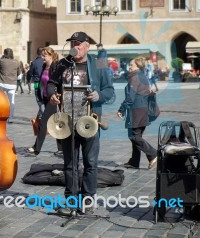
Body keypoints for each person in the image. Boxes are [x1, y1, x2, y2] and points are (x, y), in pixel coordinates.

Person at [47, 32, 114, 215]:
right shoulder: (63, 63)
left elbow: (110, 90)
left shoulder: (98, 63)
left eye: (78, 43)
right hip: (67, 121)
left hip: (90, 120)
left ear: (87, 46)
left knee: (90, 162)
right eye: (72, 43)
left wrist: (99, 95)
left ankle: (88, 199)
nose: (74, 46)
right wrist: (52, 94)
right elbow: (51, 84)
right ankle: (71, 200)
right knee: (70, 163)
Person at [117, 57, 158, 170]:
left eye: (131, 65)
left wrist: (121, 109)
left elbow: (130, 98)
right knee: (137, 136)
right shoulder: (143, 76)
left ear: (138, 66)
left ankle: (153, 154)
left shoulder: (135, 78)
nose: (129, 67)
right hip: (143, 110)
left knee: (134, 136)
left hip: (136, 111)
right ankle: (134, 162)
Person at [26, 47, 63, 156]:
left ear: (51, 56)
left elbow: (59, 82)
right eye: (42, 55)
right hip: (45, 98)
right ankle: (61, 148)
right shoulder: (43, 66)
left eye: (44, 56)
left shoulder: (56, 66)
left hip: (54, 99)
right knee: (55, 122)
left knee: (44, 122)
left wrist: (58, 95)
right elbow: (42, 83)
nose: (42, 57)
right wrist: (40, 96)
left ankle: (37, 148)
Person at [0, 48, 20, 123]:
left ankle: (1, 115)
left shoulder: (1, 61)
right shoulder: (16, 62)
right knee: (11, 101)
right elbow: (18, 73)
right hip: (12, 84)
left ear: (4, 54)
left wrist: (1, 57)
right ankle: (10, 118)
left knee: (1, 100)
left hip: (1, 83)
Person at [27, 47, 45, 118]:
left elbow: (30, 73)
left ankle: (43, 114)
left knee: (38, 98)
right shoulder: (45, 61)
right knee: (44, 99)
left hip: (37, 82)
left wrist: (28, 80)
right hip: (45, 82)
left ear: (37, 53)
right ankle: (42, 113)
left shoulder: (34, 62)